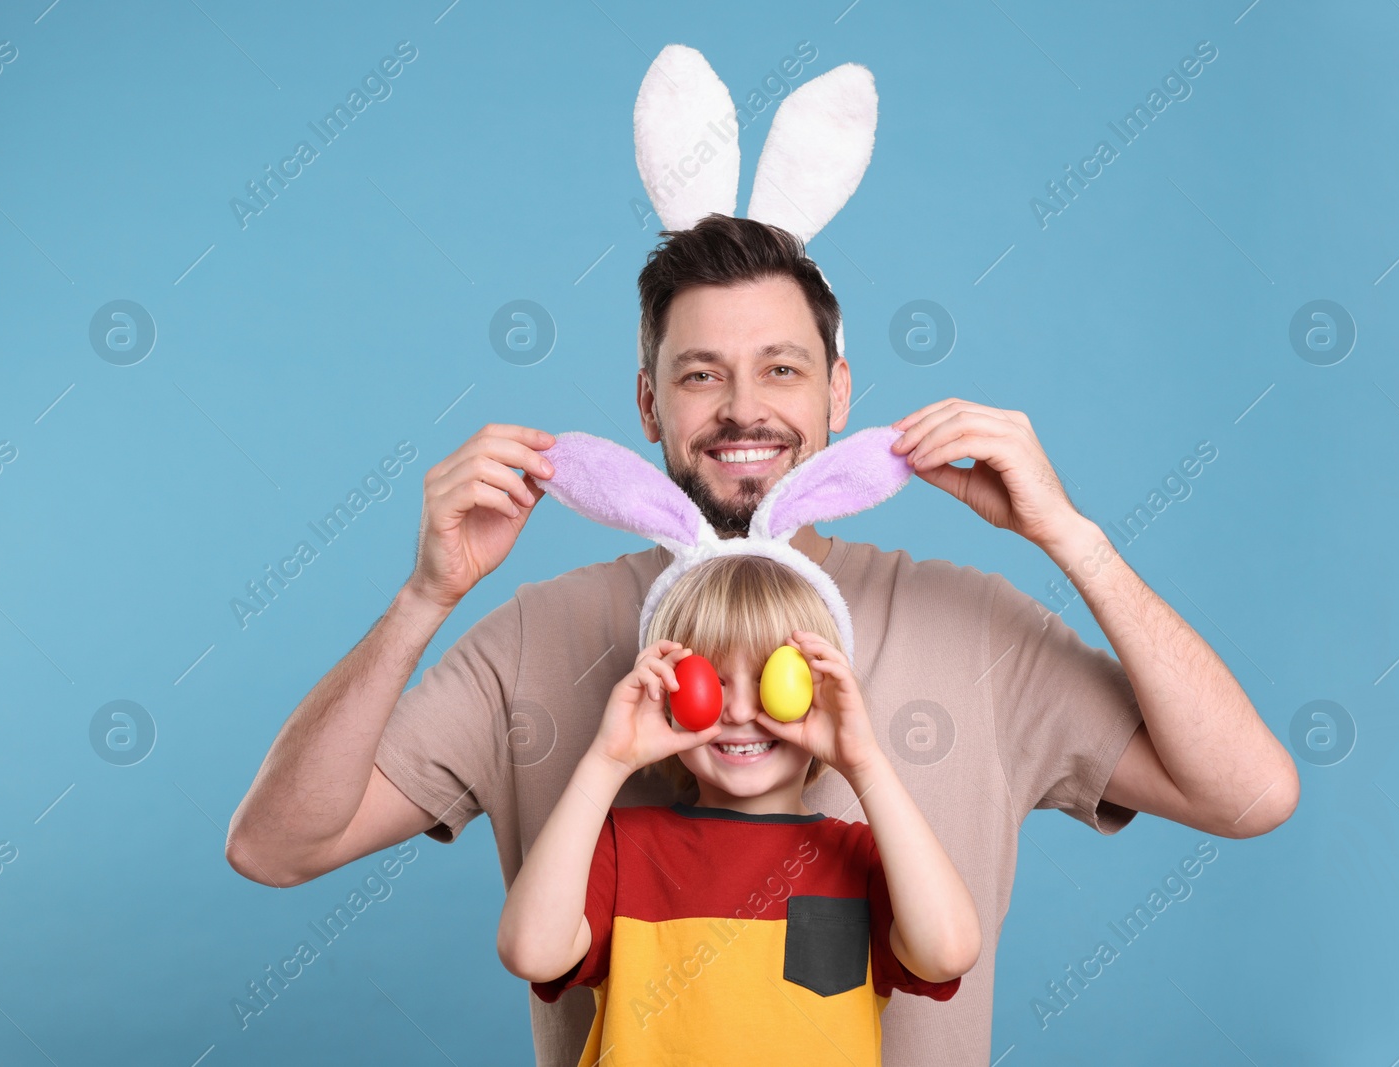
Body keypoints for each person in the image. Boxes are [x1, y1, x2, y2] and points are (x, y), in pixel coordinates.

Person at [226, 215, 1300, 1065]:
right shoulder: (532, 637)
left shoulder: (979, 623)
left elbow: (1248, 795)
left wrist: (1071, 538)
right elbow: (274, 847)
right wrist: (427, 592)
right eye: (700, 374)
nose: (744, 409)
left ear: (840, 395)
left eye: (782, 368)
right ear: (646, 406)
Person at [497, 554, 980, 1065]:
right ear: (666, 694)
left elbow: (947, 951)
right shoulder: (624, 846)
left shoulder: (859, 856)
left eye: (775, 678)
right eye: (713, 680)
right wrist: (607, 760)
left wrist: (864, 761)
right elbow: (531, 951)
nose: (742, 711)